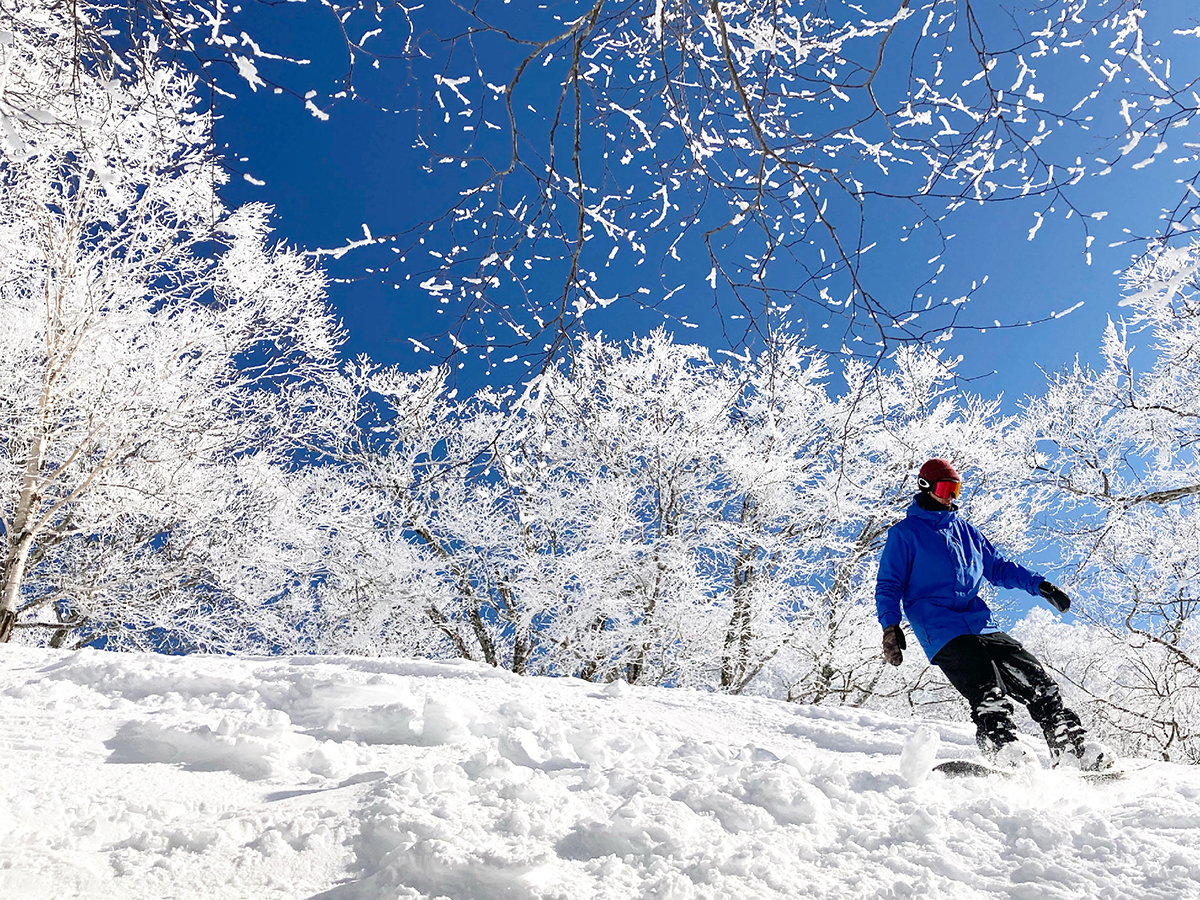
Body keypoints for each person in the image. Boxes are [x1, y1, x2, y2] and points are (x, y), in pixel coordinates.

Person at [875, 458, 1112, 771]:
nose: (951, 496)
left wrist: (1040, 585)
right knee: (988, 687)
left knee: (1038, 681)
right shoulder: (905, 534)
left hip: (980, 622)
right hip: (940, 626)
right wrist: (890, 626)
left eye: (955, 489)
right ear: (925, 487)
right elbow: (889, 584)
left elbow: (998, 567)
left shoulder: (966, 531)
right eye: (945, 488)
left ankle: (1070, 745)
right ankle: (1001, 747)